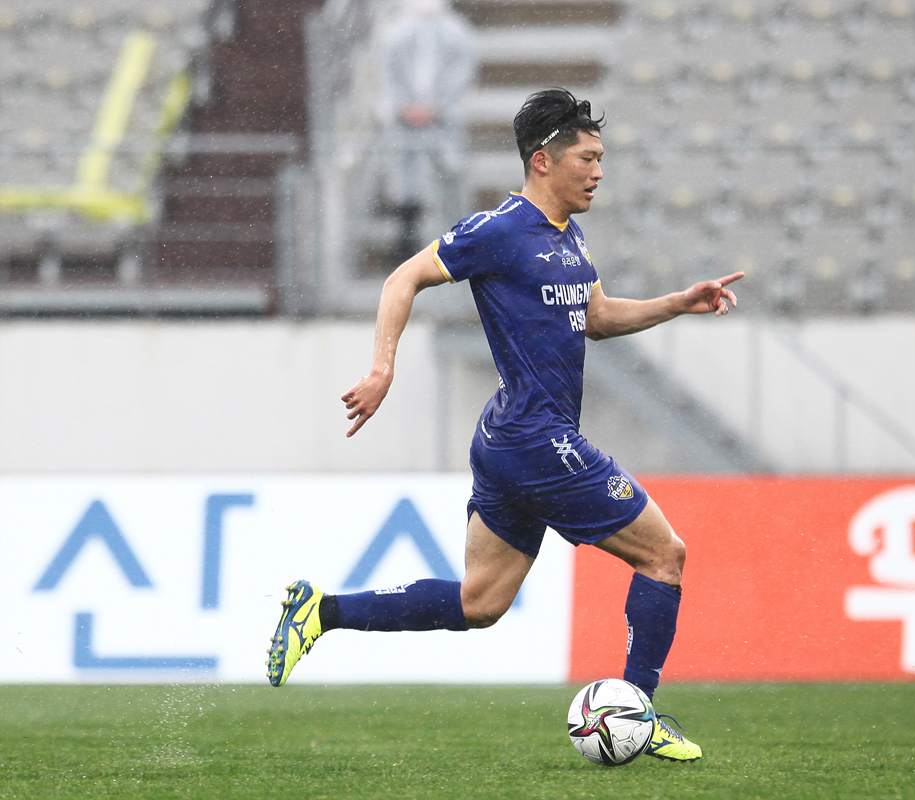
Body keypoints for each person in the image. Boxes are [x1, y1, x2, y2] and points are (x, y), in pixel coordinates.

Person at [266, 88, 743, 763]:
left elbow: (595, 317)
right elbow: (403, 278)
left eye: (600, 159)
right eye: (587, 158)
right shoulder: (499, 229)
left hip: (507, 440)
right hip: (539, 441)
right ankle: (638, 710)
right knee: (665, 555)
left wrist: (676, 302)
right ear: (543, 161)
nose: (599, 171)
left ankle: (321, 611)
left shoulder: (569, 237)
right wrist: (382, 368)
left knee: (481, 603)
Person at [374, 0, 474, 263]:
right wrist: (404, 107)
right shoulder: (395, 33)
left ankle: (455, 239)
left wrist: (437, 108)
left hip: (442, 120)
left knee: (449, 171)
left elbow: (461, 74)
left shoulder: (457, 32)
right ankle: (406, 238)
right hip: (405, 120)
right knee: (405, 176)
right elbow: (388, 74)